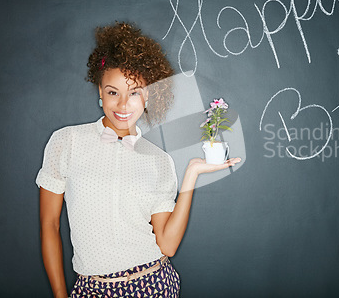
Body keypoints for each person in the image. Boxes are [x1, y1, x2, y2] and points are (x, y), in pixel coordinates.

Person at [37, 22, 241, 298]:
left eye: (134, 92)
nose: (123, 105)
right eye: (113, 92)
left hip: (154, 284)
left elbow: (167, 246)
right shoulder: (66, 142)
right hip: (92, 289)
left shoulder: (159, 160)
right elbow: (49, 225)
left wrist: (191, 174)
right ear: (100, 91)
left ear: (148, 96)